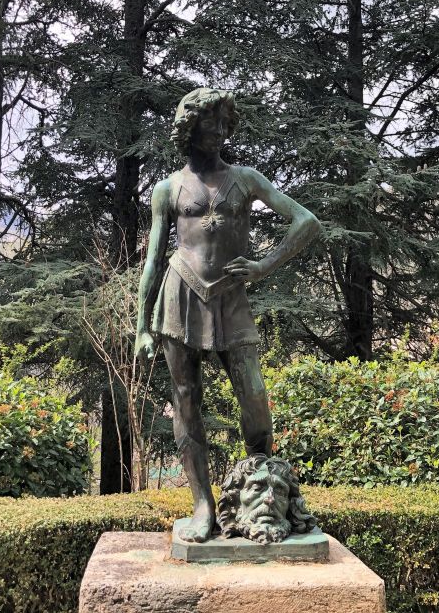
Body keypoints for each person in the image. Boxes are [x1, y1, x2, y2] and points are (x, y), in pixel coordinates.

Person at [134, 87, 320, 542]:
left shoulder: (246, 179)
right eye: (208, 123)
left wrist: (264, 265)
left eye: (223, 123)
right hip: (180, 295)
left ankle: (263, 498)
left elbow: (307, 221)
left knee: (253, 393)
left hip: (232, 298)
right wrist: (142, 327)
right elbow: (153, 259)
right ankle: (202, 504)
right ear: (189, 127)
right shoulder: (168, 189)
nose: (217, 131)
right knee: (186, 398)